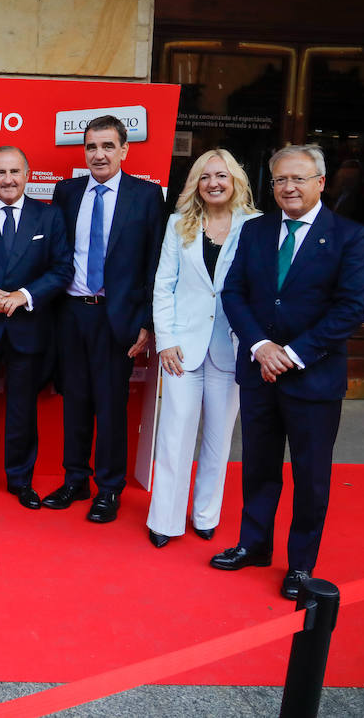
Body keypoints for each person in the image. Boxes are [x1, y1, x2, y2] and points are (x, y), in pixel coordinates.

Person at [212, 144, 364, 599]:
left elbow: (349, 310)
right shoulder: (255, 230)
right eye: (281, 179)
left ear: (321, 182)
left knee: (311, 475)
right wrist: (261, 347)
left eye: (299, 178)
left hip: (312, 377)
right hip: (259, 371)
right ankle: (254, 544)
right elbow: (234, 292)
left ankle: (300, 565)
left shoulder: (350, 236)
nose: (289, 187)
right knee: (259, 466)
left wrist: (293, 354)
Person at [47, 116, 165, 523]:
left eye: (107, 146)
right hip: (71, 313)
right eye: (92, 147)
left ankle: (109, 489)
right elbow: (56, 255)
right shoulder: (66, 192)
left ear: (124, 150)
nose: (99, 154)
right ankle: (75, 479)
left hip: (119, 317)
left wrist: (148, 322)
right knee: (75, 401)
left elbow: (155, 264)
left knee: (112, 406)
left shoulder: (147, 196)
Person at [147, 149, 259, 548]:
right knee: (174, 434)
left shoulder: (256, 227)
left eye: (221, 176)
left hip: (232, 348)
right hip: (183, 346)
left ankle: (205, 515)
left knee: (218, 437)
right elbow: (164, 286)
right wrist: (166, 342)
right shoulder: (179, 224)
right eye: (206, 176)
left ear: (235, 181)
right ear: (196, 183)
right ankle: (165, 520)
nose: (214, 182)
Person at [0, 146, 72, 510]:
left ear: (28, 174)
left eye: (15, 172)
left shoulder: (49, 218)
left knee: (23, 410)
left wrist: (23, 295)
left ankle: (21, 481)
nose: (8, 179)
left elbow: (62, 269)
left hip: (29, 327)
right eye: (0, 172)